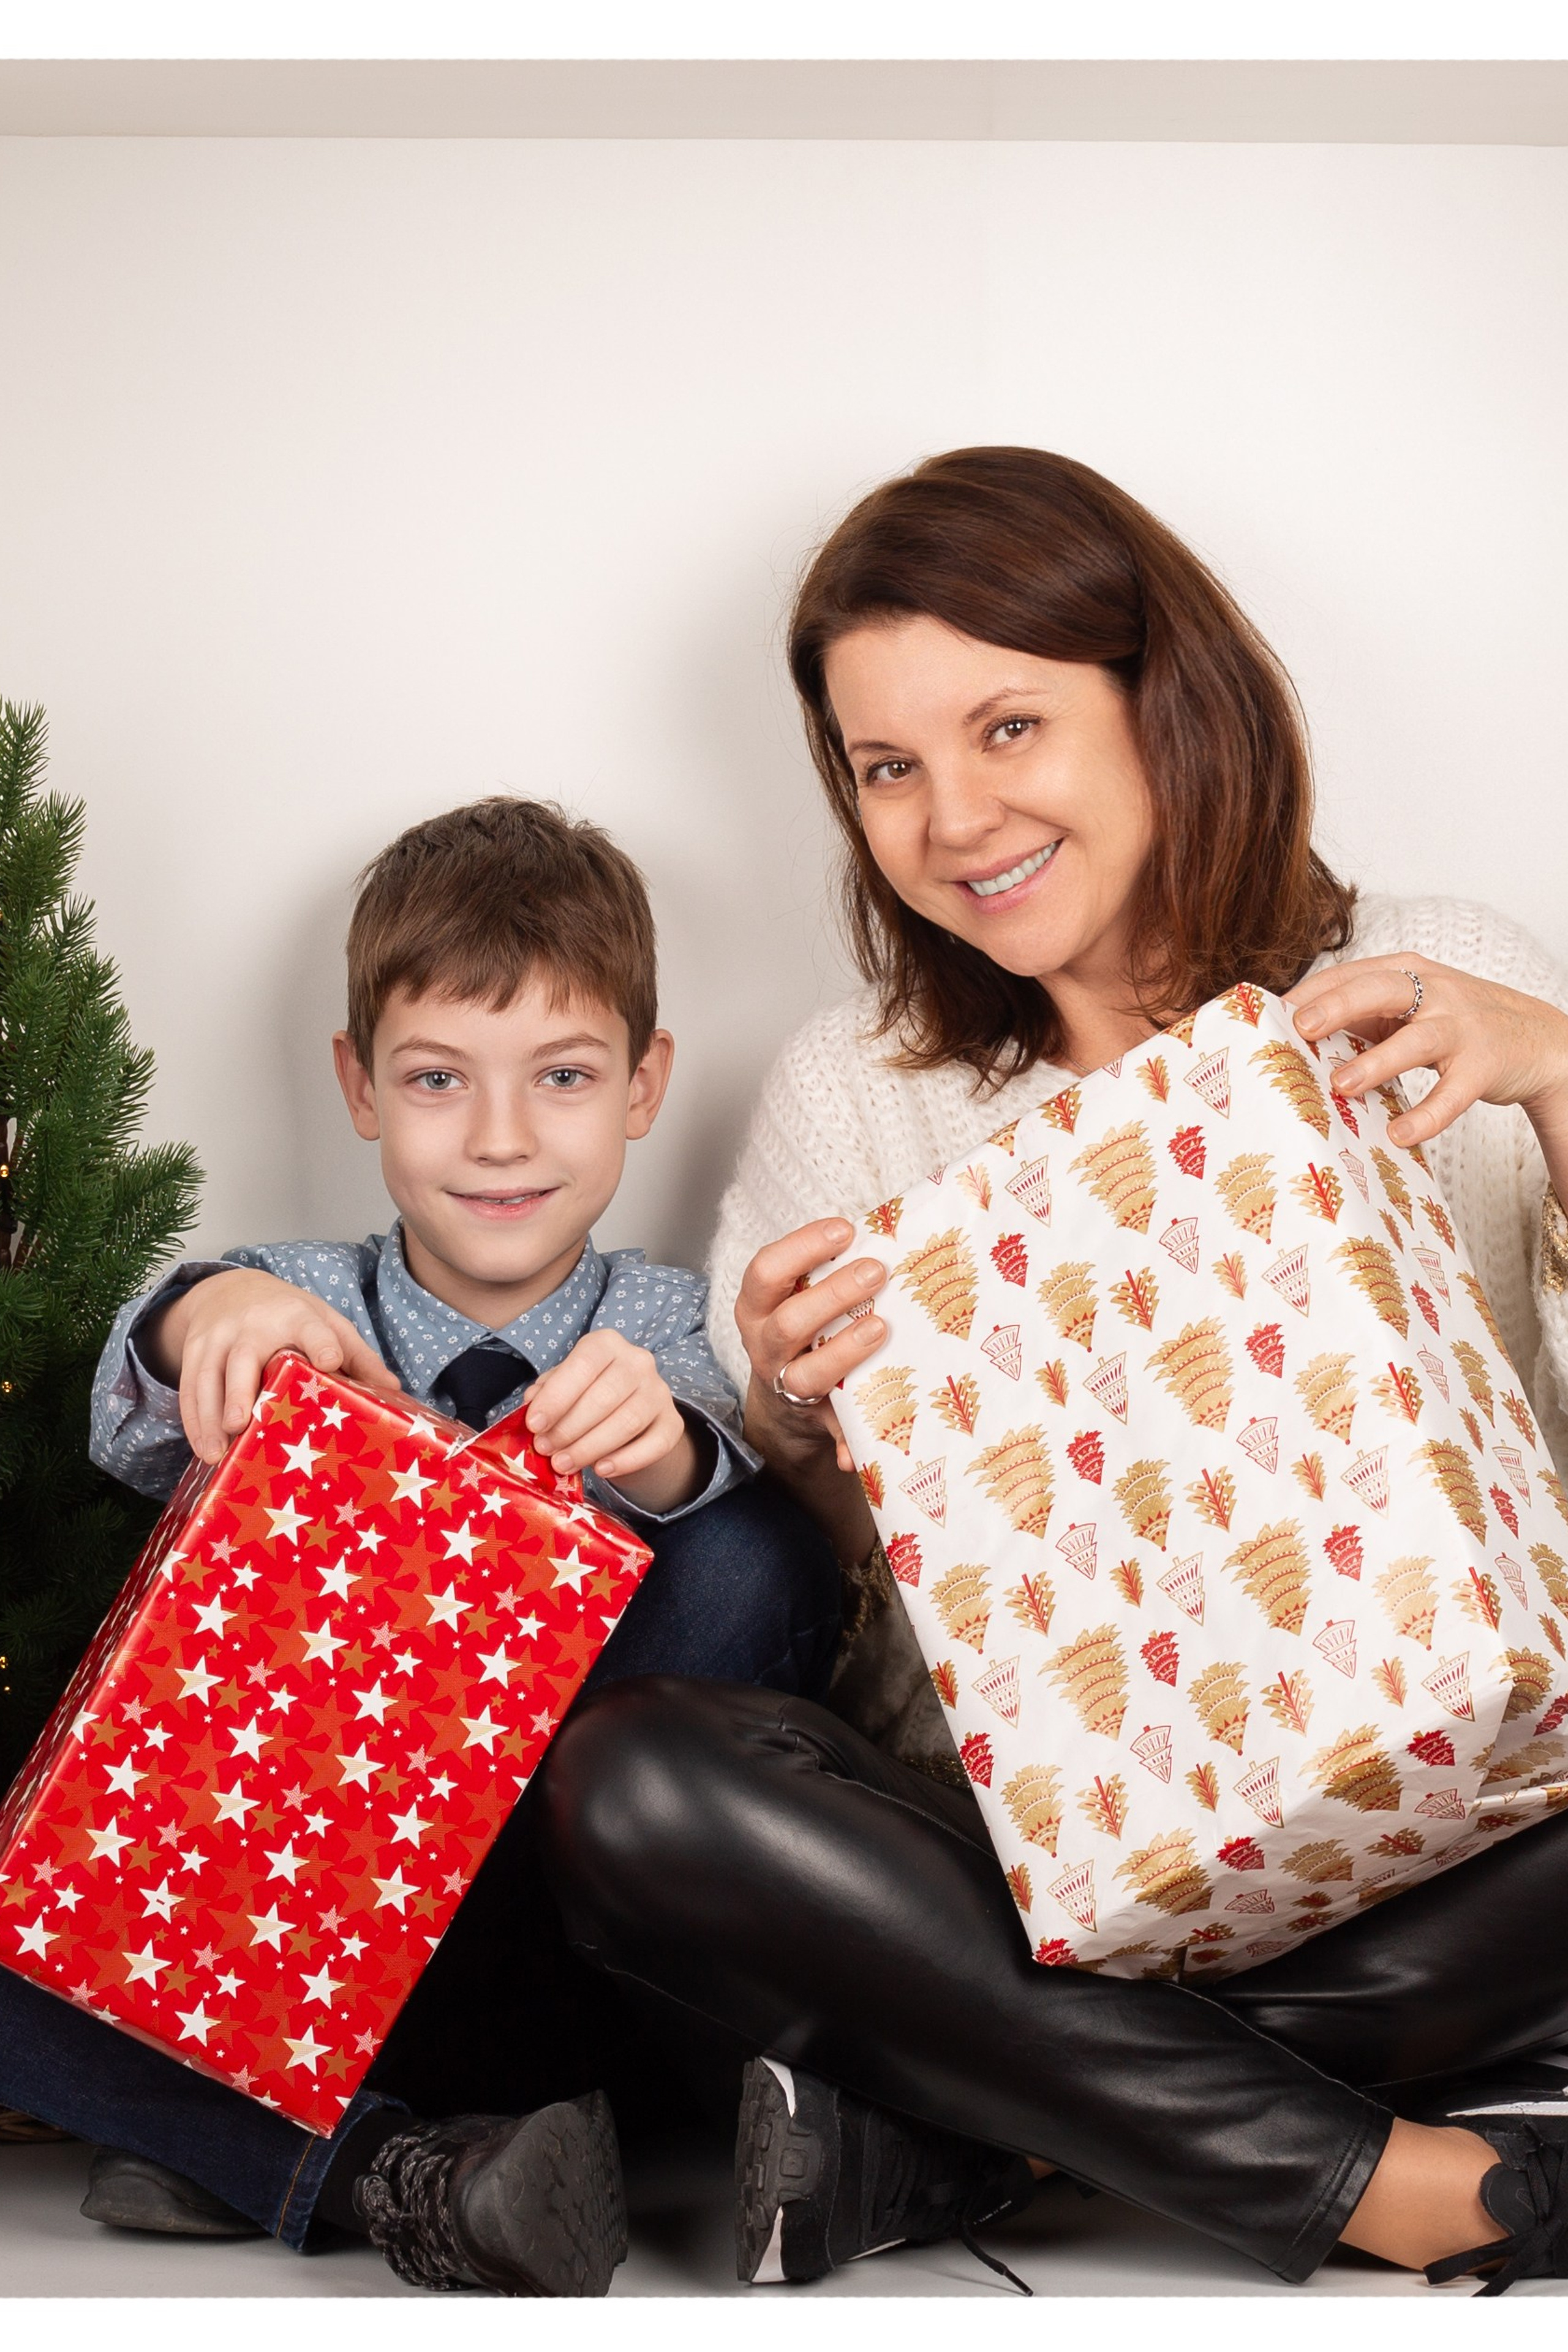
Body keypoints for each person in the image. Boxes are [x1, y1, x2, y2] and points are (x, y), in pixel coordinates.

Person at [535, 447, 1568, 2297]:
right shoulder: (858, 1089)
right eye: (890, 768)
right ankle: (1379, 2172)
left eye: (1009, 726)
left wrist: (1564, 1086)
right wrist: (787, 1413)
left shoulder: (1436, 978)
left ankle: (960, 2115)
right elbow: (848, 1642)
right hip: (1040, 1867)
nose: (954, 818)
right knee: (630, 1786)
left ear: (1160, 699)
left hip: (1459, 1833)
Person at [0, 795, 839, 2296]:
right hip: (322, 1966)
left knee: (739, 1553)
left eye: (563, 1077)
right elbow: (134, 1416)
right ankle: (404, 2175)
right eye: (439, 1078)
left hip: (610, 1940)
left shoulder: (677, 1324)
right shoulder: (302, 1294)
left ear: (645, 1086)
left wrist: (672, 1462)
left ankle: (232, 2151)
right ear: (360, 1087)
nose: (502, 1137)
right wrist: (212, 1319)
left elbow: (775, 1546)